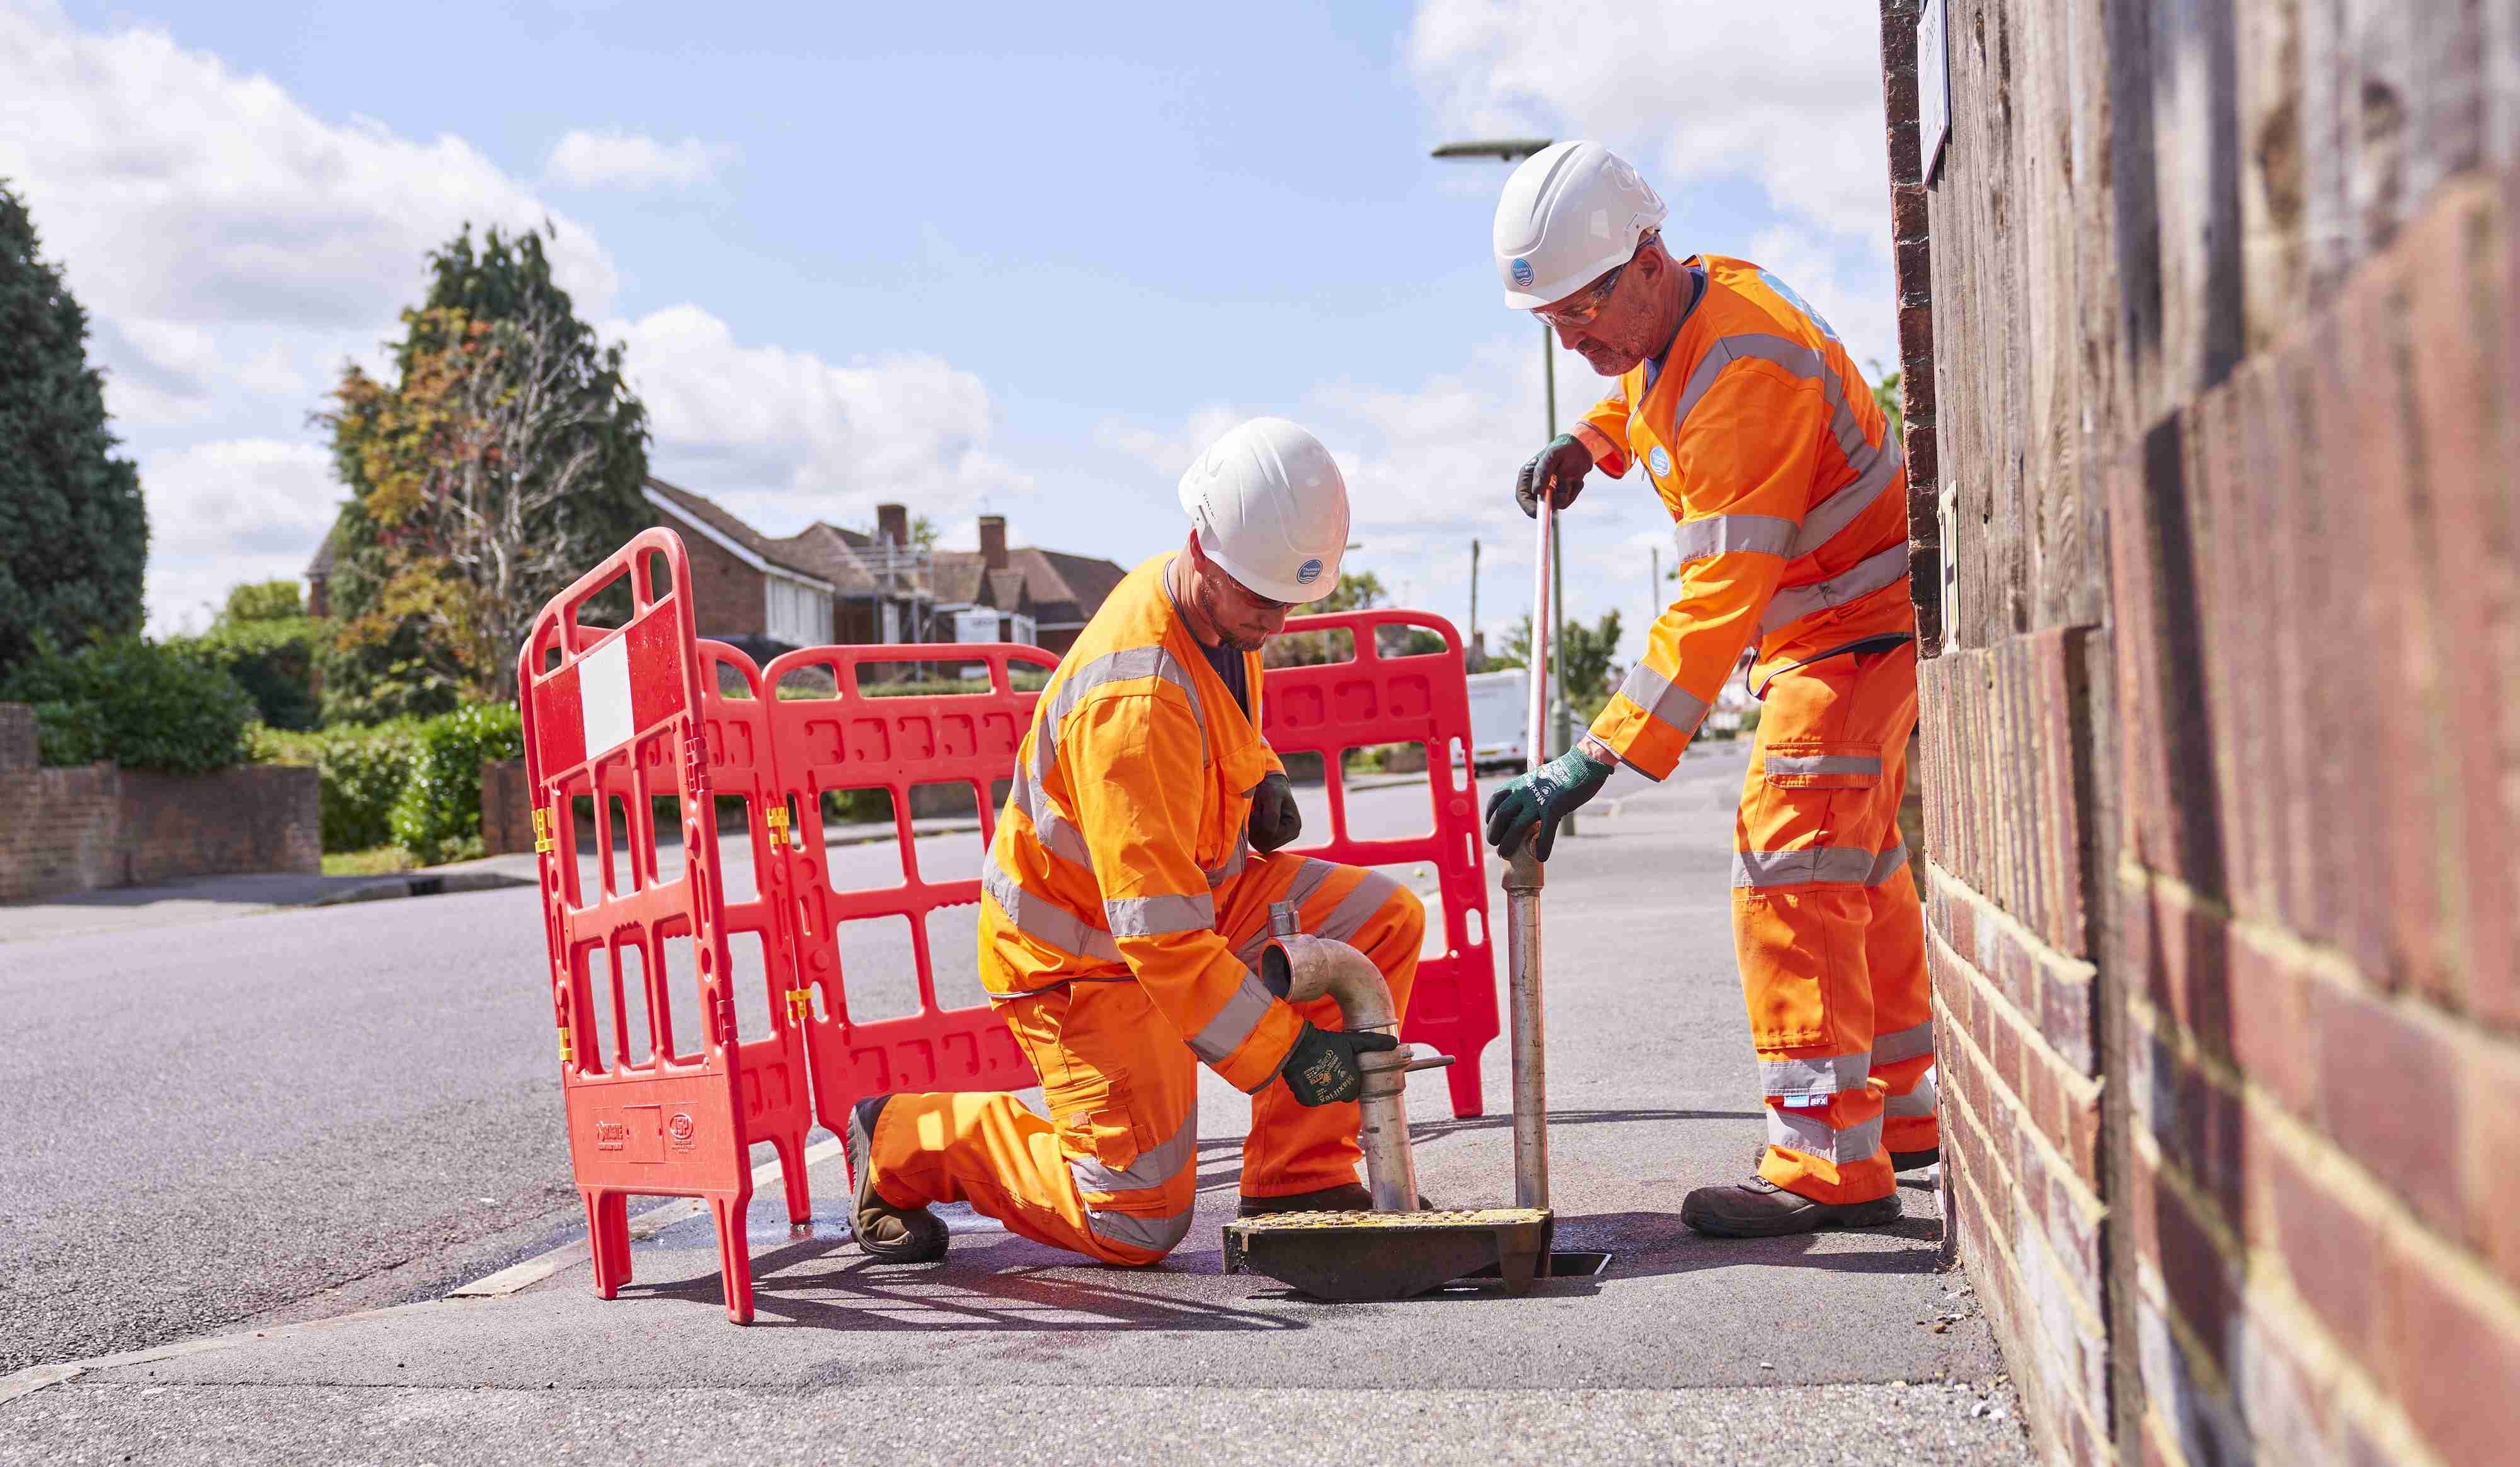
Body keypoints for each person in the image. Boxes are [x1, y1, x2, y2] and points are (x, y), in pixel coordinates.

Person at [1479, 142, 1935, 1238]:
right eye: (1554, 327)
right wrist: (1591, 442)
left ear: (1644, 260)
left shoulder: (1745, 373)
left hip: (1850, 637)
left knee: (1785, 857)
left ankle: (1827, 1160)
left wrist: (1588, 761)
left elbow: (1711, 605)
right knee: (1852, 865)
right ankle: (1902, 1112)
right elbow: (1648, 389)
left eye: (1583, 314)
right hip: (1841, 634)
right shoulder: (1688, 310)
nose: (1577, 340)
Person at [846, 417, 1428, 1265]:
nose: (1273, 618)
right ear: (1201, 543)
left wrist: (1257, 772)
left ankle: (1299, 1179)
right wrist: (1285, 1051)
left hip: (1181, 904)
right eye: (1259, 597)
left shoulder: (1218, 601)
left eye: (1289, 600)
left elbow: (1214, 714)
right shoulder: (1136, 700)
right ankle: (902, 1136)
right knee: (1135, 1218)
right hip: (1086, 962)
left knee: (1381, 923)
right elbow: (1158, 938)